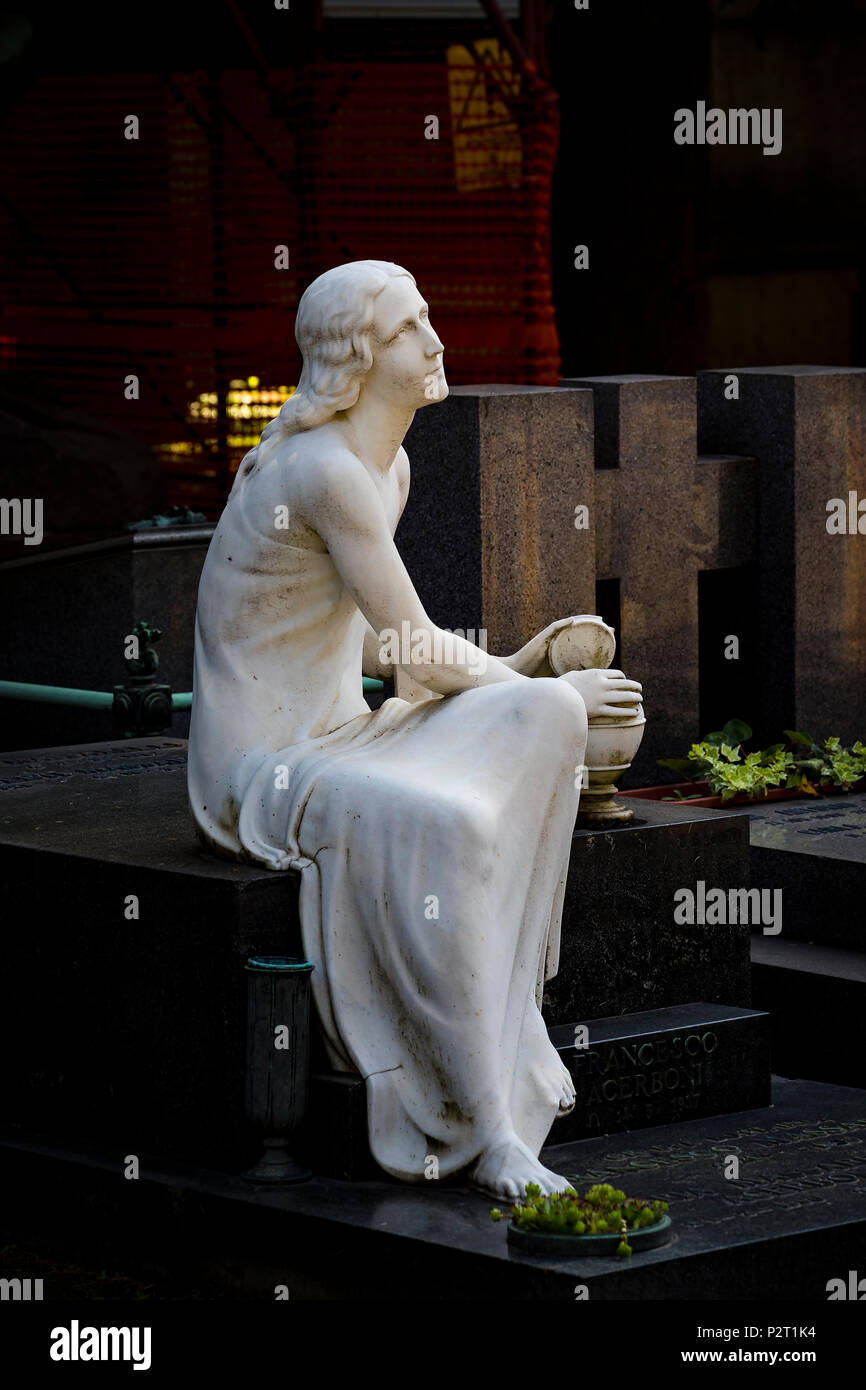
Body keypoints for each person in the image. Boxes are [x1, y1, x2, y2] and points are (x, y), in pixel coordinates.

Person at [188, 260, 642, 1198]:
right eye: (405, 330)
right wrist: (514, 668)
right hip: (262, 773)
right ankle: (484, 1126)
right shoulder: (323, 473)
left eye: (429, 317)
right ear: (353, 359)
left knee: (553, 713)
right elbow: (421, 655)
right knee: (461, 821)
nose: (435, 342)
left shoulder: (386, 467)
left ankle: (496, 1054)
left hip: (345, 728)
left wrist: (532, 682)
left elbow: (392, 660)